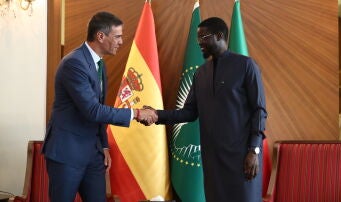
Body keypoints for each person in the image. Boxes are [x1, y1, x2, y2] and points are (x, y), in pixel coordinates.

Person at [143, 17, 267, 202]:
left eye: (203, 37)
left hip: (243, 157)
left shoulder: (246, 66)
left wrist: (254, 150)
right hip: (212, 162)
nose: (199, 43)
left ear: (219, 36)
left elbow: (259, 110)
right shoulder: (200, 73)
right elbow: (189, 112)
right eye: (198, 38)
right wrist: (156, 115)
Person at [42, 11, 157, 202]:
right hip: (67, 153)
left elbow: (98, 110)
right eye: (118, 36)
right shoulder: (74, 64)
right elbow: (93, 110)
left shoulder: (99, 65)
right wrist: (136, 113)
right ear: (100, 36)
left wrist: (103, 145)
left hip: (93, 154)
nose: (121, 41)